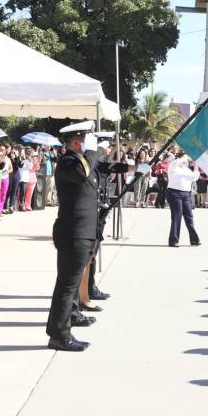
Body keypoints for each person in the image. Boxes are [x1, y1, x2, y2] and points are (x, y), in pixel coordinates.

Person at [47, 124, 134, 351]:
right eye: (87, 140)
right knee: (66, 285)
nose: (92, 147)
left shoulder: (83, 162)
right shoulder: (69, 162)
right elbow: (83, 172)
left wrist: (135, 168)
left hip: (83, 231)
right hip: (73, 232)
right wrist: (92, 151)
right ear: (77, 143)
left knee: (70, 284)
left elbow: (101, 168)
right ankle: (59, 335)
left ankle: (69, 318)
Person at [167, 154, 202, 247]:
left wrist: (196, 165)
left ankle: (194, 239)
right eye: (184, 160)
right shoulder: (173, 166)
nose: (185, 162)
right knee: (176, 216)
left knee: (189, 216)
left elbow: (195, 177)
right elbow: (177, 162)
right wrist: (185, 156)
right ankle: (173, 240)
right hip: (174, 193)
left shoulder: (187, 170)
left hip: (186, 194)